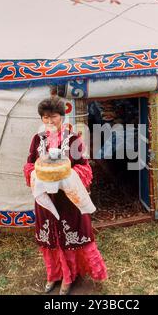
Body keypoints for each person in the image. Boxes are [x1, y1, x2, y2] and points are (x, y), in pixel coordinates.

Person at [23, 96, 107, 295]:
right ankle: (54, 275)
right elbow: (29, 164)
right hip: (46, 199)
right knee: (50, 237)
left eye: (53, 117)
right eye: (45, 118)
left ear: (62, 116)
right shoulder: (37, 139)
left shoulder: (73, 139)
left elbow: (84, 168)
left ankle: (68, 278)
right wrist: (36, 174)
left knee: (71, 235)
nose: (50, 122)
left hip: (68, 198)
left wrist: (66, 178)